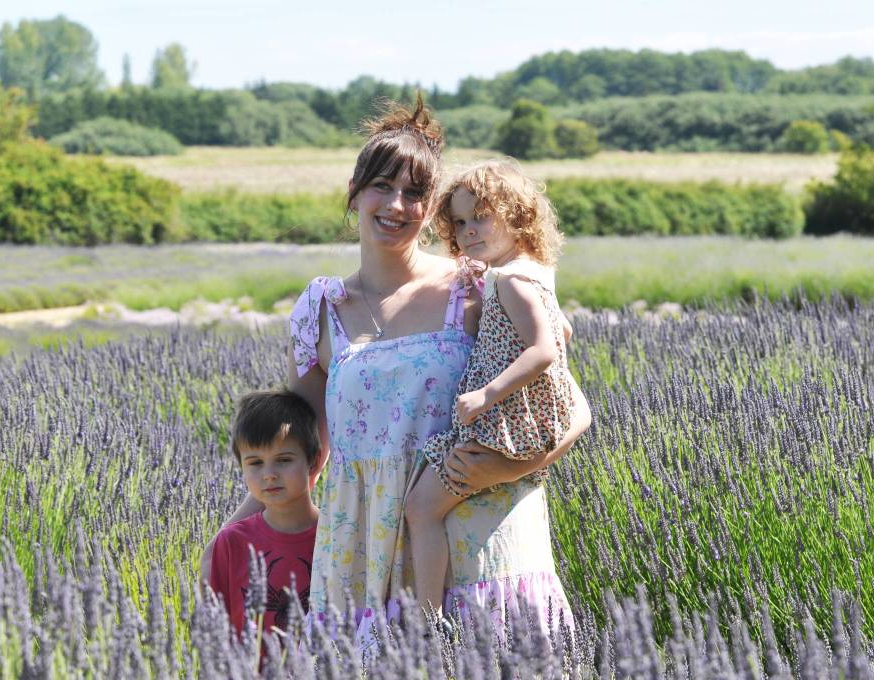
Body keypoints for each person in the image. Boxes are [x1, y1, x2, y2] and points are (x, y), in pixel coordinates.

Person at [204, 95, 591, 646]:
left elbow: (573, 409)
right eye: (382, 186)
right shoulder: (320, 310)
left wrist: (505, 467)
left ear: (432, 208)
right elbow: (301, 451)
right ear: (355, 193)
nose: (396, 205)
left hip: (478, 535)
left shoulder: (477, 287)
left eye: (414, 193)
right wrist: (232, 534)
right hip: (365, 556)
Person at [403, 159, 574, 615]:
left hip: (499, 426)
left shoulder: (511, 281)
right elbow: (564, 332)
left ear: (516, 216)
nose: (468, 231)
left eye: (481, 217)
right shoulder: (533, 273)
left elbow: (544, 350)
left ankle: (428, 620)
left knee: (421, 509)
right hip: (521, 423)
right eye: (459, 222)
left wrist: (486, 393)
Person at [207, 390, 322, 640]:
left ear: (313, 461)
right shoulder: (231, 543)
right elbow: (214, 630)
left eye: (283, 460)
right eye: (255, 463)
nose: (269, 474)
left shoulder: (335, 537)